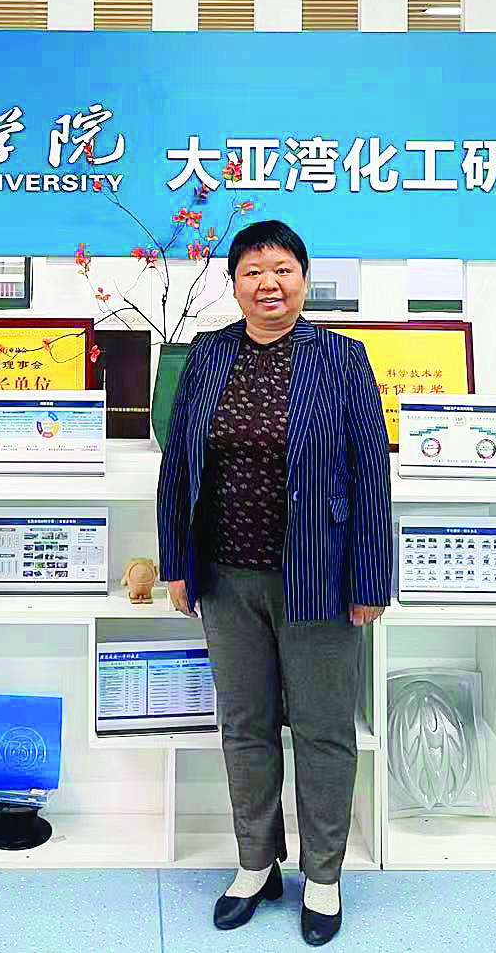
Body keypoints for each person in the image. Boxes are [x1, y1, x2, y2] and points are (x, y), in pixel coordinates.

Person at [157, 220, 391, 946]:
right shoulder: (208, 354)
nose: (269, 284)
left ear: (304, 279)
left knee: (324, 731)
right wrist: (176, 563)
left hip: (320, 580)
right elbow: (179, 464)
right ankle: (256, 864)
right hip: (227, 578)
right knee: (246, 727)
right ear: (234, 284)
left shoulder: (343, 359)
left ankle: (323, 875)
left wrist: (370, 576)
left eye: (282, 269)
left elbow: (371, 473)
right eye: (253, 271)